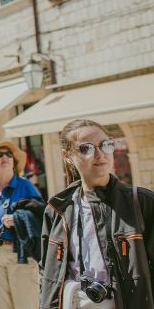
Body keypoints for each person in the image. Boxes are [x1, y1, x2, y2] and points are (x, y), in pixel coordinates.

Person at [40, 119, 154, 309]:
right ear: (67, 156)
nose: (100, 154)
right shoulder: (56, 210)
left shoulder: (141, 202)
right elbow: (47, 274)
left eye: (105, 145)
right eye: (87, 148)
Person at [0, 140, 42, 309]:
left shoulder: (25, 185)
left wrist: (17, 219)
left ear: (14, 162)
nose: (4, 157)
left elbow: (42, 214)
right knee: (0, 306)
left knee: (26, 305)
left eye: (8, 154)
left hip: (20, 253)